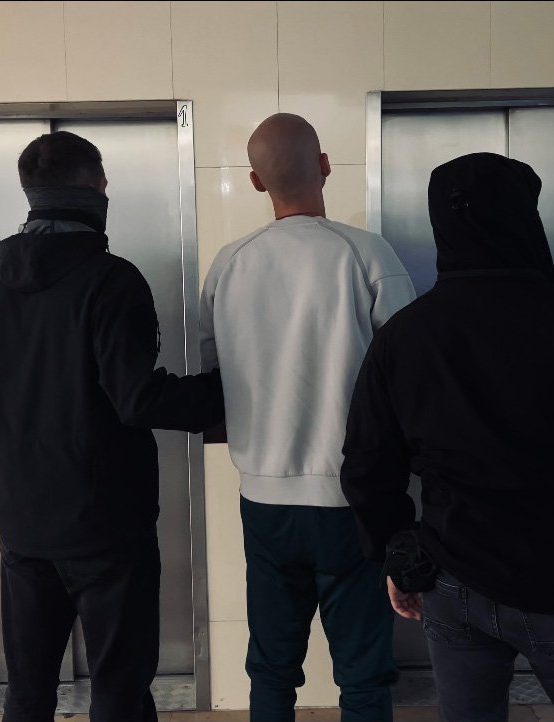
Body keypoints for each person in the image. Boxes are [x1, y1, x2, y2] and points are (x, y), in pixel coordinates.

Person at [341, 152, 554, 722]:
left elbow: (367, 463)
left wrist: (398, 555)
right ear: (527, 217)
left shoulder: (404, 337)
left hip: (452, 583)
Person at [0, 131, 224, 722]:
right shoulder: (112, 281)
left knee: (27, 691)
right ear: (97, 186)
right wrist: (223, 393)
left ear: (29, 192)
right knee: (119, 692)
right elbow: (137, 399)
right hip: (108, 530)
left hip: (23, 526)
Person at [199, 113, 416, 722]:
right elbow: (411, 372)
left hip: (264, 501)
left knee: (271, 667)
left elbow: (214, 373)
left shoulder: (228, 264)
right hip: (354, 500)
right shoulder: (367, 254)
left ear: (255, 180)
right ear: (324, 166)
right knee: (364, 675)